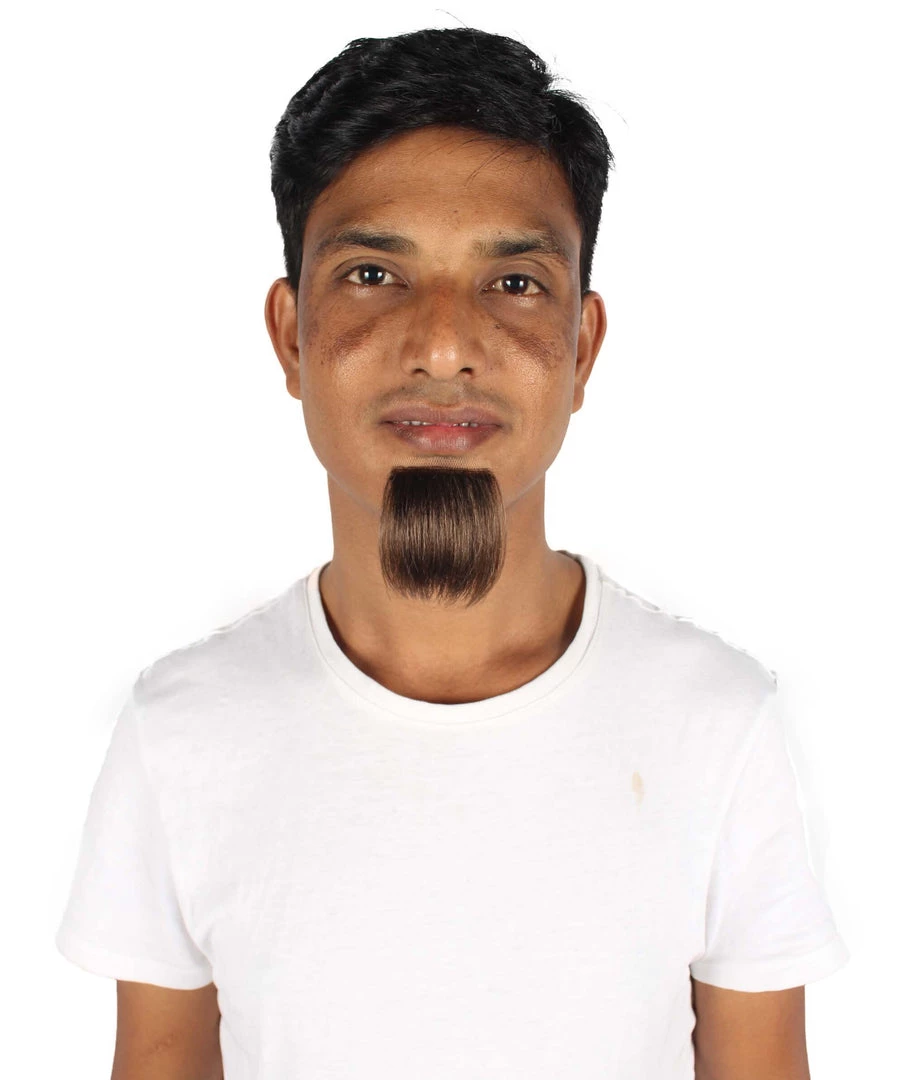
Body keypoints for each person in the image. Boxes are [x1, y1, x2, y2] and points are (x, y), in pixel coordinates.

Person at [55, 26, 850, 1080]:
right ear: (290, 336)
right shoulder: (183, 731)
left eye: (512, 283)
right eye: (373, 272)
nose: (440, 346)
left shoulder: (714, 719)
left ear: (581, 347)